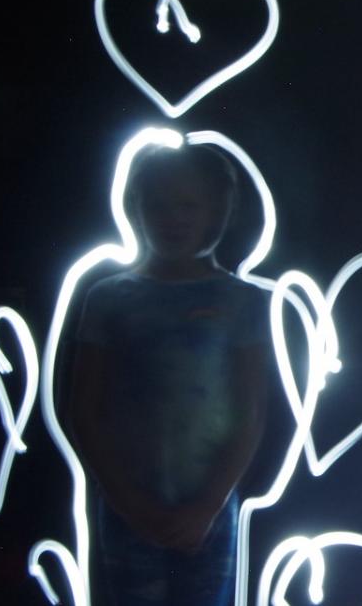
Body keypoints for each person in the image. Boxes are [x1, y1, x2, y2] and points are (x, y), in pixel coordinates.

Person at [68, 143, 269, 606]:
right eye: (156, 204)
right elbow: (84, 410)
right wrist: (128, 502)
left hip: (210, 508)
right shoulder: (109, 298)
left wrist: (209, 504)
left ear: (217, 210)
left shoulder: (241, 302)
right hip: (126, 507)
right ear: (135, 206)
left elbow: (251, 413)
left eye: (187, 205)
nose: (171, 218)